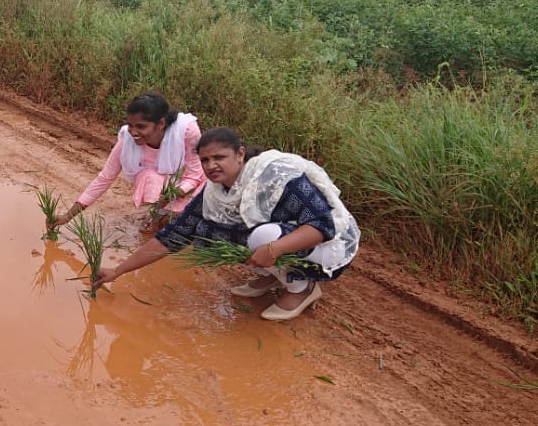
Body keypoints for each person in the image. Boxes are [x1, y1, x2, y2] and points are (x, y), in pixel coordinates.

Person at [94, 127, 359, 321]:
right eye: (205, 160)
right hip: (282, 237)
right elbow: (172, 237)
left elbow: (323, 226)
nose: (211, 165)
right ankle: (270, 275)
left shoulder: (276, 177)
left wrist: (273, 250)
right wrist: (118, 270)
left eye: (219, 157)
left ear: (240, 154)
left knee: (262, 237)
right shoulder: (214, 193)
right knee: (217, 232)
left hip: (327, 243)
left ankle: (302, 287)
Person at [52, 93, 206, 230]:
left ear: (161, 124)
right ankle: (159, 216)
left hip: (190, 182)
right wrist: (68, 216)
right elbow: (105, 178)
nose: (133, 132)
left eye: (141, 127)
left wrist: (171, 195)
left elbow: (194, 175)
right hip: (162, 185)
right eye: (130, 125)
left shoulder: (186, 131)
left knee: (189, 211)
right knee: (149, 177)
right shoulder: (128, 140)